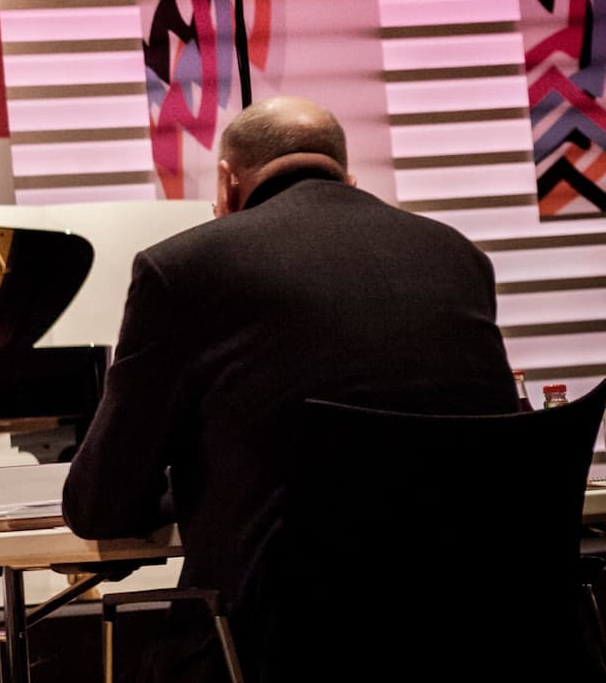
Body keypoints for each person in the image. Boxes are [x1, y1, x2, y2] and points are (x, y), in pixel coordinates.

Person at [62, 96, 518, 682]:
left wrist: (194, 484)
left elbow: (103, 504)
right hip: (473, 632)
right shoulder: (458, 256)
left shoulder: (183, 268)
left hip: (272, 645)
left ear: (227, 184)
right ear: (349, 179)